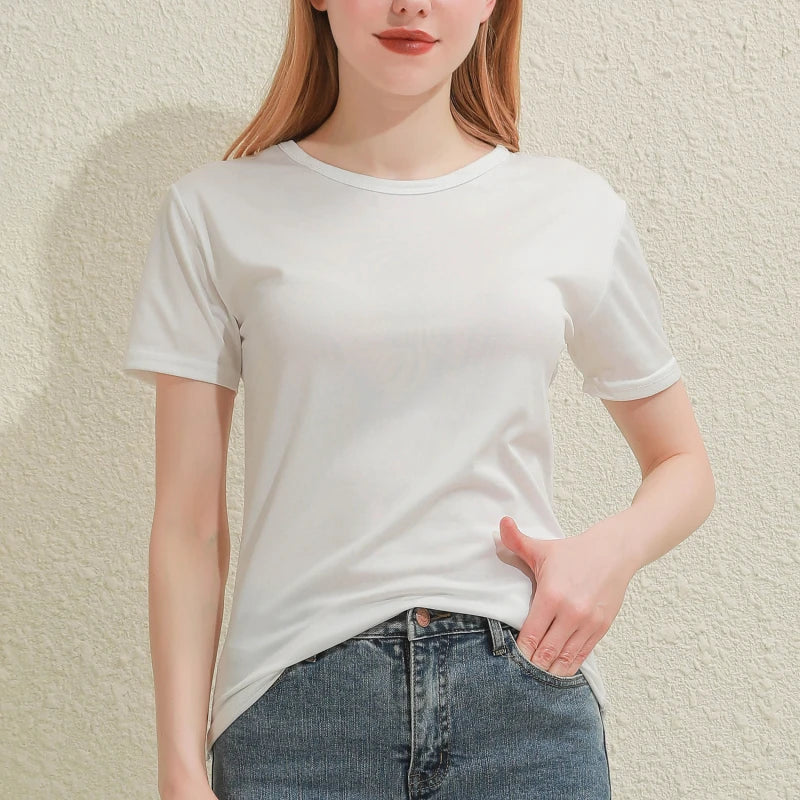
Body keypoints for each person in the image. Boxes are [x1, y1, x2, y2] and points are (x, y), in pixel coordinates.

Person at [121, 2, 715, 799]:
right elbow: (188, 525)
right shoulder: (213, 212)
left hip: (526, 707)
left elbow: (684, 465)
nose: (411, 4)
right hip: (294, 715)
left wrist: (610, 553)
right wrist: (179, 769)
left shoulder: (572, 208)